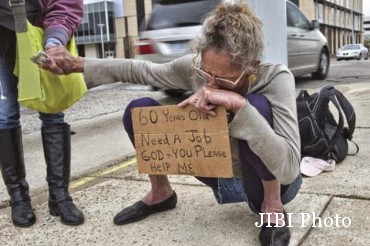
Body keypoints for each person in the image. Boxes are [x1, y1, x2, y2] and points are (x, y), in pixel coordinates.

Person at [44, 1, 302, 245]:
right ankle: (161, 193)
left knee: (257, 105)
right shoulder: (195, 67)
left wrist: (240, 106)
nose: (210, 85)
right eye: (205, 74)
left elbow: (289, 168)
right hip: (219, 173)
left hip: (266, 181)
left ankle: (272, 208)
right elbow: (140, 70)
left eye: (223, 80)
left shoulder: (276, 78)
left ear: (252, 67)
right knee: (140, 110)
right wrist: (77, 64)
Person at [0, 0, 84, 227]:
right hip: (2, 43)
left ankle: (59, 196)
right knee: (5, 116)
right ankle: (18, 198)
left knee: (53, 110)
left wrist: (55, 40)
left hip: (39, 35)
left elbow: (65, 3)